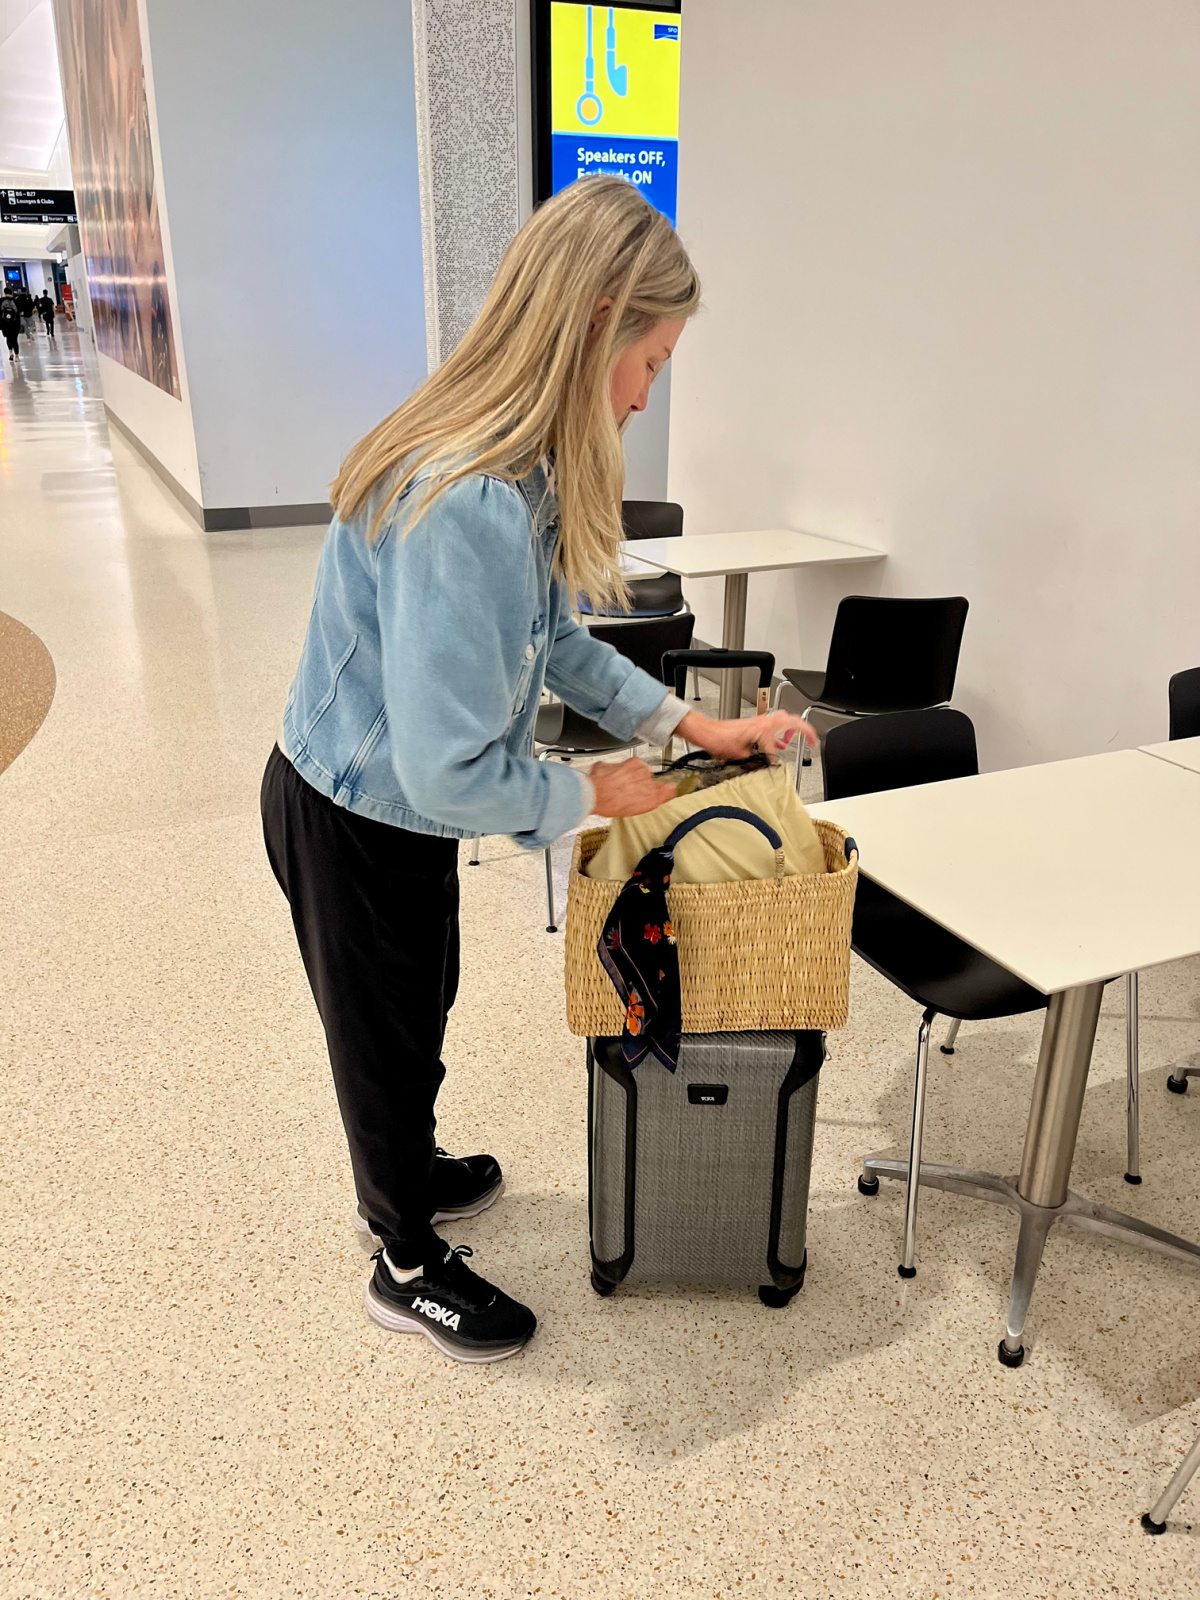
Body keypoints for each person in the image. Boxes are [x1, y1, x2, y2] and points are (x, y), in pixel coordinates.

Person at [260, 176, 815, 1365]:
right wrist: (589, 794)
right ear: (600, 315)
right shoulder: (464, 497)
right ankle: (403, 1259)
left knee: (425, 1002)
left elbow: (553, 639)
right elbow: (452, 770)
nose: (645, 390)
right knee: (384, 1034)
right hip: (355, 813)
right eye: (652, 358)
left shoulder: (521, 466)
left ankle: (408, 1163)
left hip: (397, 810)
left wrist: (683, 725)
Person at [0, 290, 21, 360]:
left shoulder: (1, 301)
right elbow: (20, 313)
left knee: (8, 338)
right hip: (15, 324)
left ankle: (11, 353)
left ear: (4, 293)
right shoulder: (16, 301)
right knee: (15, 339)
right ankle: (17, 356)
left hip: (4, 324)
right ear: (11, 293)